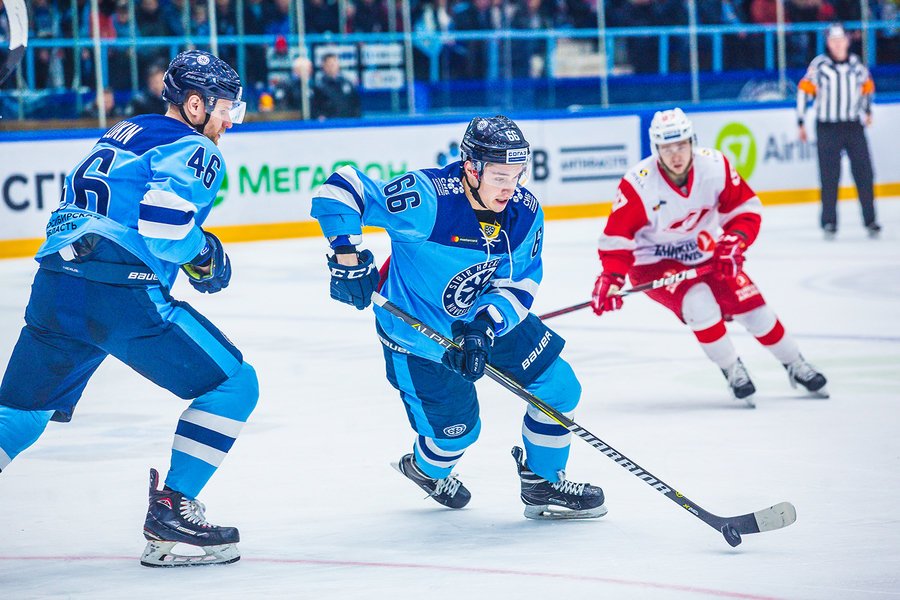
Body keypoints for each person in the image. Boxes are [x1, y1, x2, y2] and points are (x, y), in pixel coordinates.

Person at [0, 50, 257, 567]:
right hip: (118, 287)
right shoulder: (196, 147)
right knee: (234, 384)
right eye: (225, 106)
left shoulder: (123, 130)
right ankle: (173, 515)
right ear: (193, 103)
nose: (229, 119)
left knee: (22, 412)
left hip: (57, 281)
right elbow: (164, 226)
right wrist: (204, 252)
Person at [310, 115, 606, 520]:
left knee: (558, 387)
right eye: (500, 176)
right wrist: (347, 257)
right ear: (472, 168)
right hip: (417, 337)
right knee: (456, 435)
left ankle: (542, 482)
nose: (510, 187)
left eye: (517, 175)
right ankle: (426, 471)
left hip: (481, 323)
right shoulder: (427, 199)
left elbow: (520, 284)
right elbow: (341, 188)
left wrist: (485, 327)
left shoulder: (524, 212)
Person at [592, 108, 828, 408]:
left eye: (681, 145)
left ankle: (795, 363)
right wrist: (611, 278)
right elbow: (617, 238)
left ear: (692, 141)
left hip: (708, 253)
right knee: (699, 303)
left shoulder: (715, 166)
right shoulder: (638, 184)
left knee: (754, 309)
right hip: (653, 264)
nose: (675, 154)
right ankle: (732, 369)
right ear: (656, 149)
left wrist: (735, 241)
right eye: (667, 147)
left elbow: (745, 210)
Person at [797, 23, 880, 239]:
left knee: (864, 173)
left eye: (841, 40)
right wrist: (800, 121)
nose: (837, 44)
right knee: (829, 176)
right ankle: (829, 222)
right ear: (828, 43)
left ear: (847, 41)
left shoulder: (856, 65)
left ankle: (870, 220)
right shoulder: (820, 66)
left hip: (853, 125)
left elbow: (867, 88)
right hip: (828, 127)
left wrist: (868, 111)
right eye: (833, 41)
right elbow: (803, 91)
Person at [311, 53, 361, 120]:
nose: (332, 67)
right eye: (330, 64)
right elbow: (314, 108)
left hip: (348, 124)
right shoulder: (318, 86)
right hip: (329, 125)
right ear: (324, 66)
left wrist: (356, 118)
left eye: (334, 63)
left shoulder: (347, 83)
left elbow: (355, 103)